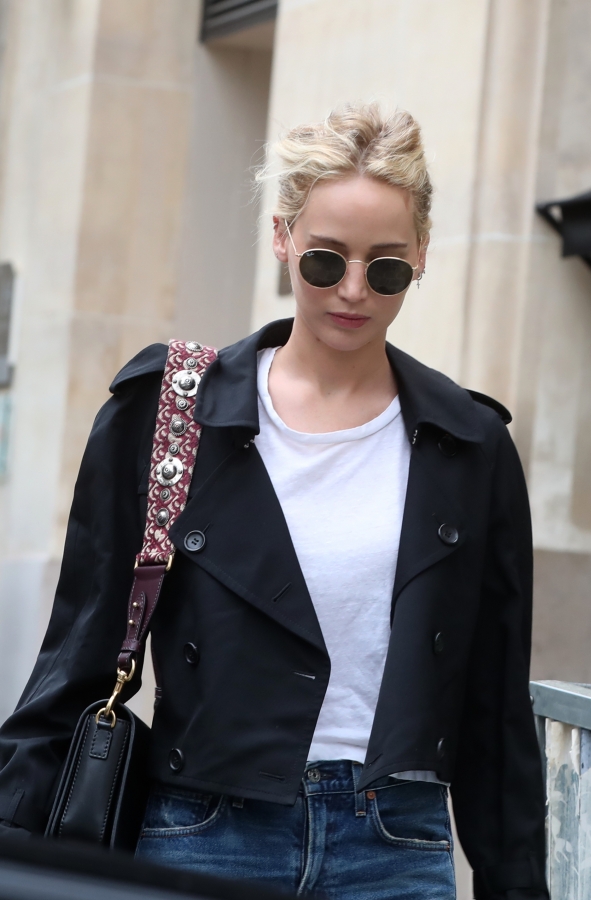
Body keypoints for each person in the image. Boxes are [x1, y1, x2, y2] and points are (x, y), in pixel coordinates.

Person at [0, 103, 548, 900]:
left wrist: (516, 883)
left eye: (386, 268)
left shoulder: (469, 444)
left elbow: (495, 707)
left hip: (395, 844)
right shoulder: (170, 411)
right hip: (202, 833)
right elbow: (77, 652)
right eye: (325, 261)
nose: (353, 290)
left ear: (423, 254)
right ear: (282, 237)